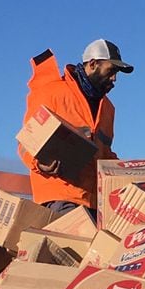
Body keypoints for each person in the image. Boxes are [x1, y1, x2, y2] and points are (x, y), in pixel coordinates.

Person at [19, 38, 133, 215]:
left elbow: (105, 154)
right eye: (111, 70)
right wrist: (40, 163)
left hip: (95, 202)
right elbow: (26, 144)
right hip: (61, 196)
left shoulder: (108, 109)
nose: (114, 78)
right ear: (93, 64)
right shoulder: (53, 92)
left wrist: (129, 174)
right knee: (80, 241)